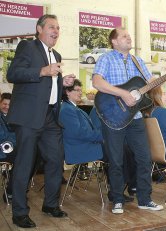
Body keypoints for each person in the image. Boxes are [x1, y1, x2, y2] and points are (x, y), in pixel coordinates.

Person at [92, 27, 166, 214]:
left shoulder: (137, 61)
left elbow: (151, 82)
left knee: (145, 158)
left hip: (135, 117)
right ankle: (118, 199)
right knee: (116, 160)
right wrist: (123, 94)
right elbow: (97, 82)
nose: (129, 38)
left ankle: (145, 199)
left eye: (129, 35)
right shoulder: (106, 58)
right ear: (114, 41)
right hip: (113, 115)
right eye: (124, 36)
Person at [6, 14, 75, 228]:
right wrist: (42, 71)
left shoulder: (57, 54)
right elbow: (13, 74)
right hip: (28, 117)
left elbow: (47, 88)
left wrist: (63, 83)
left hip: (50, 118)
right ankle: (19, 212)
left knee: (56, 160)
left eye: (58, 28)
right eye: (52, 27)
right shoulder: (27, 47)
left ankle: (51, 204)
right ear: (39, 28)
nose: (56, 31)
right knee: (25, 165)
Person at [0, 93, 16, 203]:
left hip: (11, 149)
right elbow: (3, 136)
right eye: (4, 104)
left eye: (9, 104)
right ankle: (11, 191)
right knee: (23, 160)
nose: (6, 106)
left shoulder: (14, 117)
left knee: (31, 157)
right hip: (2, 151)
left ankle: (14, 188)